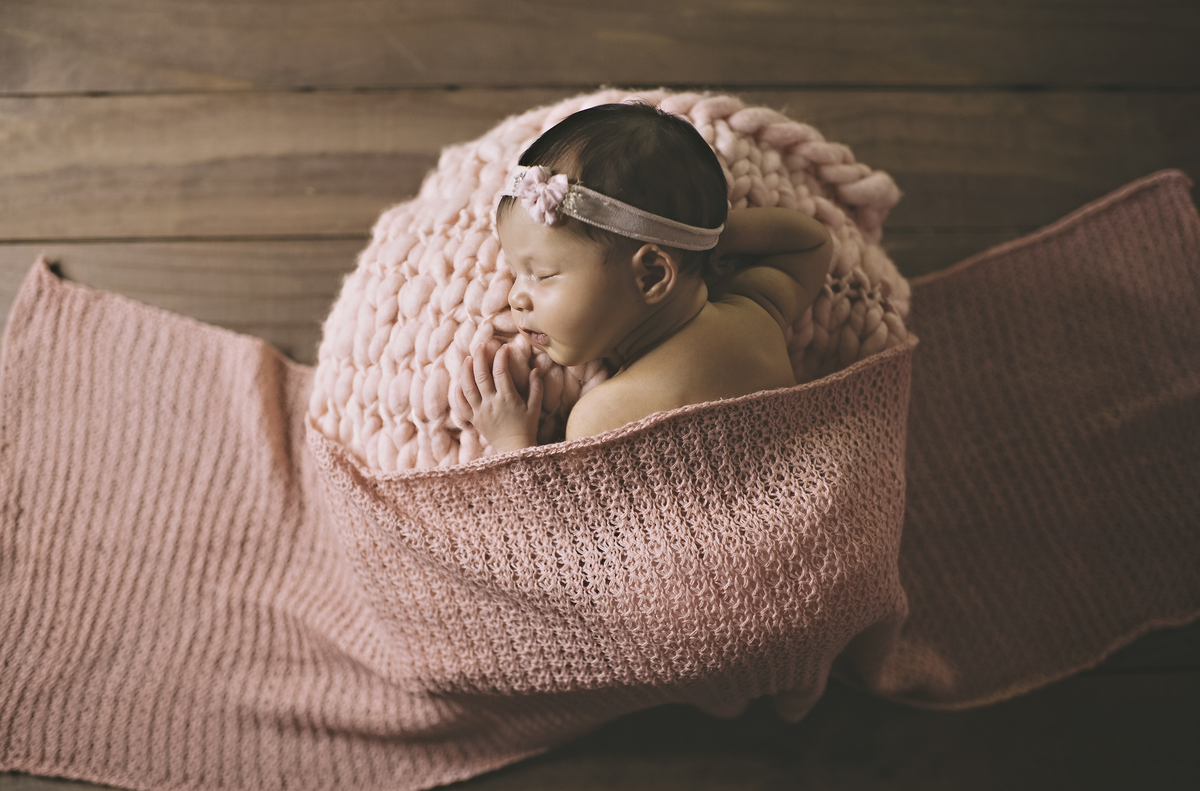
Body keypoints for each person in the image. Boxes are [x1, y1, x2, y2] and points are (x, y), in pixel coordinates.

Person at [454, 102, 832, 453]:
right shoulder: (756, 315)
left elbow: (560, 524)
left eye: (542, 274)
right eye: (517, 274)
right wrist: (713, 238)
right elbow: (811, 243)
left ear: (651, 275)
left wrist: (510, 438)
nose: (517, 297)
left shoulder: (604, 416)